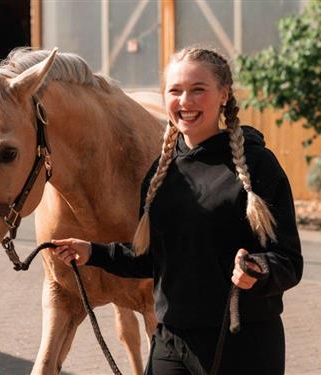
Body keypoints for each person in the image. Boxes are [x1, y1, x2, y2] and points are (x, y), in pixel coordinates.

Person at [50, 46, 303, 375]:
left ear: (224, 95)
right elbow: (152, 259)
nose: (185, 101)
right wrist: (92, 253)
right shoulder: (161, 172)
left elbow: (289, 260)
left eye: (198, 90)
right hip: (171, 342)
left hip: (242, 344)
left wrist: (258, 269)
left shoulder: (258, 166)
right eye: (175, 91)